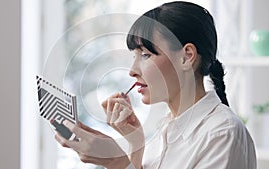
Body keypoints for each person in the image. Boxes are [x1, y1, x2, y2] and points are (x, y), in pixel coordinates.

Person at [55, 1, 257, 169]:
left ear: (187, 57)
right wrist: (135, 144)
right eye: (134, 56)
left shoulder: (222, 134)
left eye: (145, 55)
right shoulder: (164, 133)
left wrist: (118, 162)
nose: (132, 70)